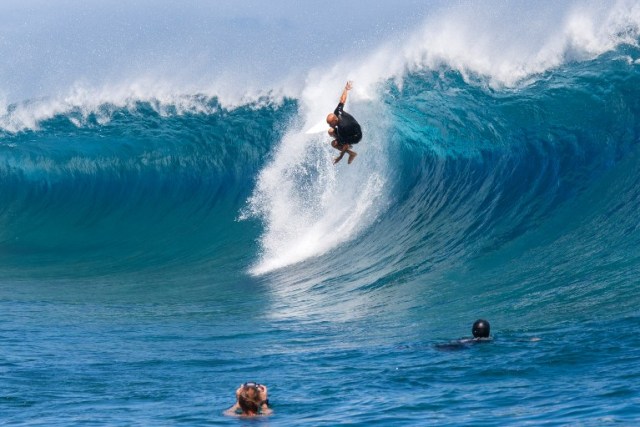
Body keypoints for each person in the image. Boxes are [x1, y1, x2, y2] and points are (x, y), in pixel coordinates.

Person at [326, 81, 362, 164]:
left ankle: (352, 154)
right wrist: (346, 89)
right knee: (330, 131)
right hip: (353, 128)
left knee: (334, 144)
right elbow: (342, 100)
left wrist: (340, 157)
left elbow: (345, 146)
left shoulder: (343, 128)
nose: (329, 125)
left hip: (356, 136)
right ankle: (341, 141)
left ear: (335, 120)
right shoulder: (337, 112)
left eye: (330, 123)